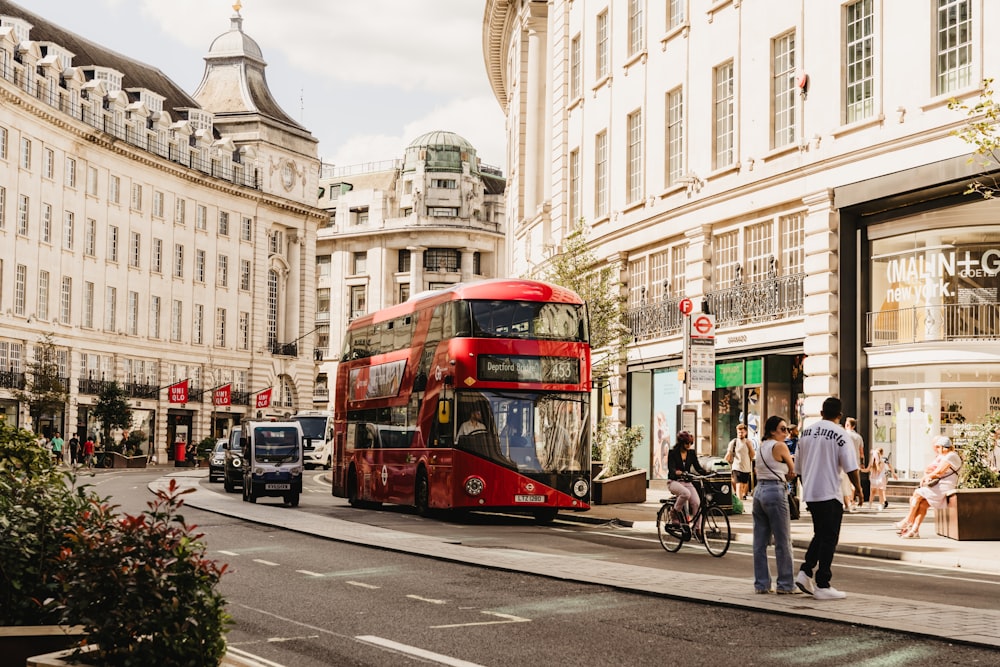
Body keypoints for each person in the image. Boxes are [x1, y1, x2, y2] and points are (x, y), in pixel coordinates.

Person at [794, 396, 862, 600]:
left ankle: (805, 572)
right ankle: (823, 583)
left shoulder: (805, 433)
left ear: (822, 413)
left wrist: (807, 486)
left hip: (811, 493)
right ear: (839, 416)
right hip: (830, 492)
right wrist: (858, 488)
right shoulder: (841, 434)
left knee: (821, 534)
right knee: (829, 537)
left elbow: (798, 468)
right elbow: (850, 466)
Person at [752, 416, 798, 594]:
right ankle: (786, 584)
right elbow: (792, 470)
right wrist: (788, 472)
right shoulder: (780, 446)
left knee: (759, 542)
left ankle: (761, 584)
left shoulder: (762, 446)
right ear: (772, 431)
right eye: (783, 429)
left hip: (759, 492)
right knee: (783, 540)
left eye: (787, 429)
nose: (786, 432)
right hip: (775, 491)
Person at [894, 436, 962, 539]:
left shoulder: (950, 456)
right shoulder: (949, 456)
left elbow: (939, 471)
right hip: (942, 485)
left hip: (944, 486)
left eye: (938, 447)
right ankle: (914, 530)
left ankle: (908, 521)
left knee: (917, 493)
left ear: (944, 447)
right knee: (922, 504)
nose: (937, 450)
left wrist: (927, 477)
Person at [666, 431, 710, 537]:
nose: (689, 446)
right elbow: (671, 469)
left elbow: (698, 467)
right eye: (687, 443)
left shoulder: (691, 453)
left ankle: (697, 529)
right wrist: (677, 472)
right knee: (686, 494)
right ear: (681, 443)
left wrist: (708, 473)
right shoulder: (673, 452)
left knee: (696, 503)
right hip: (674, 482)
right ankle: (674, 513)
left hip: (687, 481)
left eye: (691, 443)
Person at [725, 423, 755, 500]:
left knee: (744, 486)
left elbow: (752, 455)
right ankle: (740, 503)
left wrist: (750, 447)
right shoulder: (733, 442)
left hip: (746, 468)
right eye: (739, 432)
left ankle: (739, 499)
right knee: (739, 485)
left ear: (746, 432)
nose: (740, 434)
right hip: (736, 466)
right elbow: (728, 454)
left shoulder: (748, 442)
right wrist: (723, 463)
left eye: (742, 432)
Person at [864, 447, 895, 511]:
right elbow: (882, 469)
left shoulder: (872, 461)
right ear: (882, 453)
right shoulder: (883, 460)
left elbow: (867, 470)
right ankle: (881, 504)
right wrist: (894, 474)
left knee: (872, 492)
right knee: (881, 492)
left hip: (873, 478)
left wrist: (860, 469)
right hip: (881, 478)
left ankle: (870, 505)